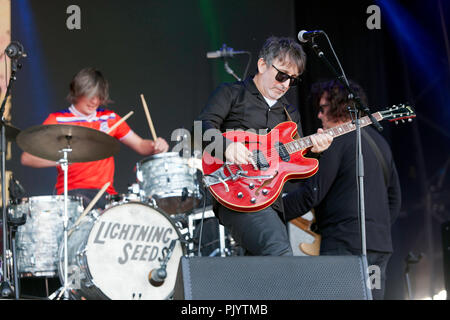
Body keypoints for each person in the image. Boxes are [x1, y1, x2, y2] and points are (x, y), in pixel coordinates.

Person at [196, 36, 333, 256]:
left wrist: (315, 152)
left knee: (262, 277)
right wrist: (226, 146)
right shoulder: (231, 93)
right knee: (279, 253)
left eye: (293, 80)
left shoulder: (290, 114)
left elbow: (294, 171)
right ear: (262, 65)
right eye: (281, 75)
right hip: (234, 193)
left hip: (272, 203)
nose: (286, 84)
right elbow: (200, 128)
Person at [283, 79, 401, 299]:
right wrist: (373, 229)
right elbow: (395, 199)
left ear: (338, 107)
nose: (318, 115)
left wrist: (271, 209)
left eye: (322, 108)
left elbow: (312, 194)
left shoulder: (336, 140)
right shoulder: (380, 143)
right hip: (379, 247)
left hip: (343, 247)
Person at [21, 67, 169, 209]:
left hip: (106, 195)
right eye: (90, 96)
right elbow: (27, 157)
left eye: (99, 97)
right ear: (77, 92)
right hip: (72, 195)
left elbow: (141, 145)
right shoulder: (58, 120)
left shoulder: (110, 118)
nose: (94, 102)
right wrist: (64, 158)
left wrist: (156, 145)